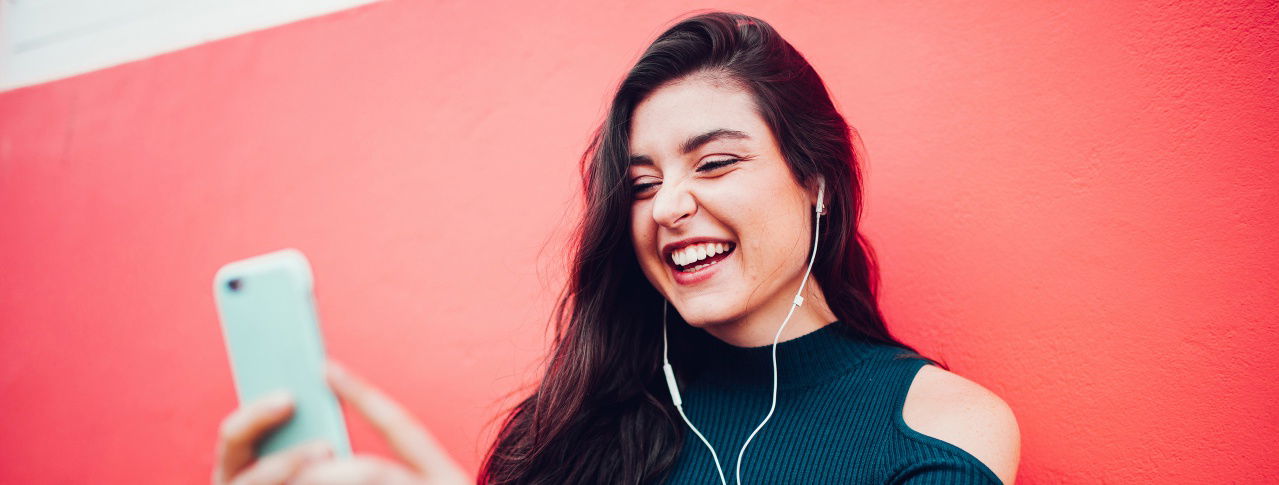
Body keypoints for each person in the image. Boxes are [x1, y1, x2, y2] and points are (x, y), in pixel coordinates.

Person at [212, 10, 1020, 485]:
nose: (668, 205)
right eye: (639, 182)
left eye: (714, 162)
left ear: (815, 180)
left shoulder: (940, 427)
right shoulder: (576, 421)